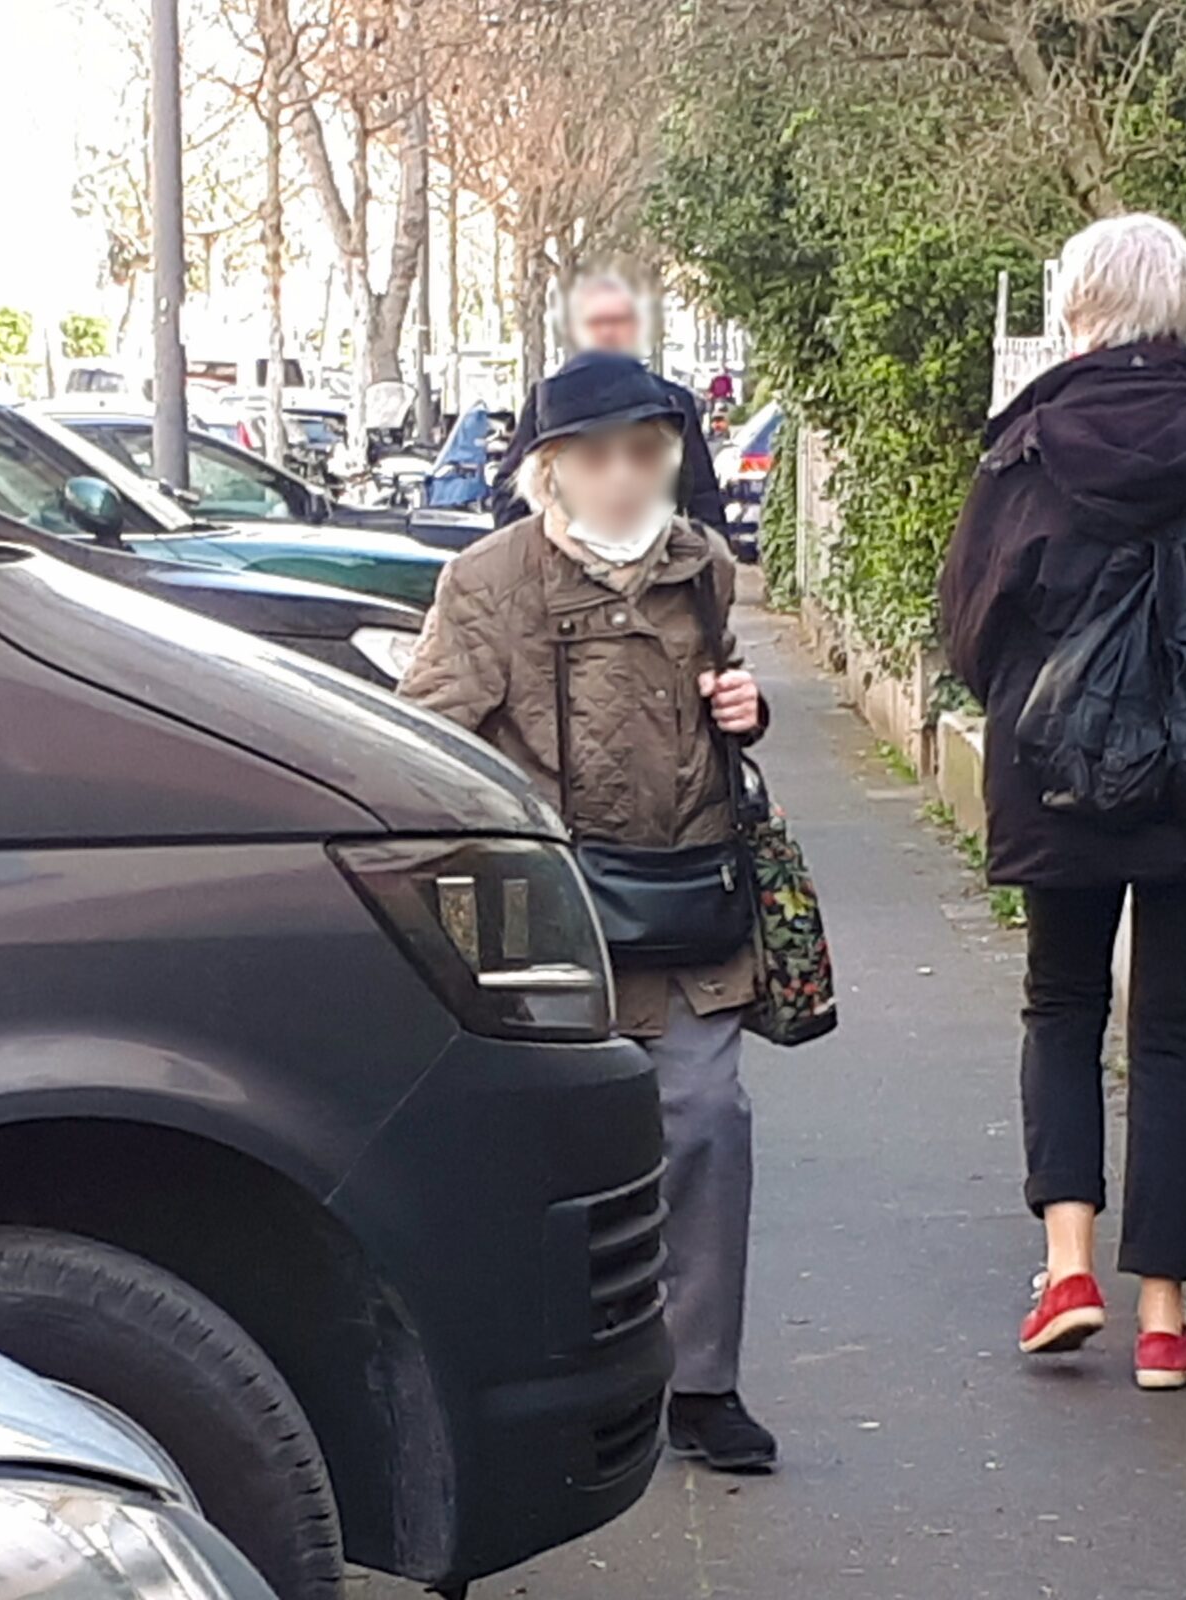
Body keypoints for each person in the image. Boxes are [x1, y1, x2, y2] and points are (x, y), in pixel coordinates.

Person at [936, 214, 1186, 1391]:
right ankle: (1163, 1316)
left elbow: (970, 625)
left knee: (1060, 1003)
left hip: (1059, 776)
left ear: (1077, 312)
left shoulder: (1026, 452)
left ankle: (1067, 1269)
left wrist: (1029, 705)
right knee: (1170, 1025)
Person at [400, 351, 779, 1472]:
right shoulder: (489, 581)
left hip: (684, 903)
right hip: (547, 920)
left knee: (706, 1124)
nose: (621, 476)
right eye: (595, 456)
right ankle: (551, 1385)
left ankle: (702, 1384)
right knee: (548, 1150)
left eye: (642, 454)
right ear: (550, 469)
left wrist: (743, 711)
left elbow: (722, 693)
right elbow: (427, 739)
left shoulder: (702, 566)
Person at [491, 273, 728, 529]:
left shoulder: (672, 401)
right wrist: (541, 545)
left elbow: (703, 497)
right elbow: (510, 493)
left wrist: (694, 549)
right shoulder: (549, 401)